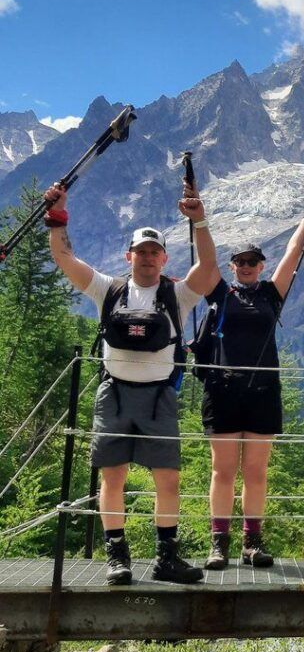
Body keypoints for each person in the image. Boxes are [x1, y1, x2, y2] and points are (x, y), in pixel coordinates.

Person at [42, 180, 219, 585]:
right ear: (130, 256)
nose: (147, 257)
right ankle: (117, 557)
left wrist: (201, 221)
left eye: (154, 252)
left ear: (163, 257)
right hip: (115, 394)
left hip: (158, 397)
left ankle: (165, 558)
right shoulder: (109, 289)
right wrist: (58, 216)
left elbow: (209, 269)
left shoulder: (178, 294)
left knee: (168, 479)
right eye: (141, 251)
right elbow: (64, 256)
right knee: (113, 476)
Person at [201, 200, 304, 571]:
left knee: (256, 471)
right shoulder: (219, 293)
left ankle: (252, 542)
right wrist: (199, 220)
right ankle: (219, 543)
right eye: (238, 261)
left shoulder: (273, 293)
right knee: (222, 470)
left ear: (261, 267)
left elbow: (293, 252)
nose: (244, 266)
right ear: (232, 267)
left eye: (251, 262)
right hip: (222, 390)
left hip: (262, 393)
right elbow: (206, 259)